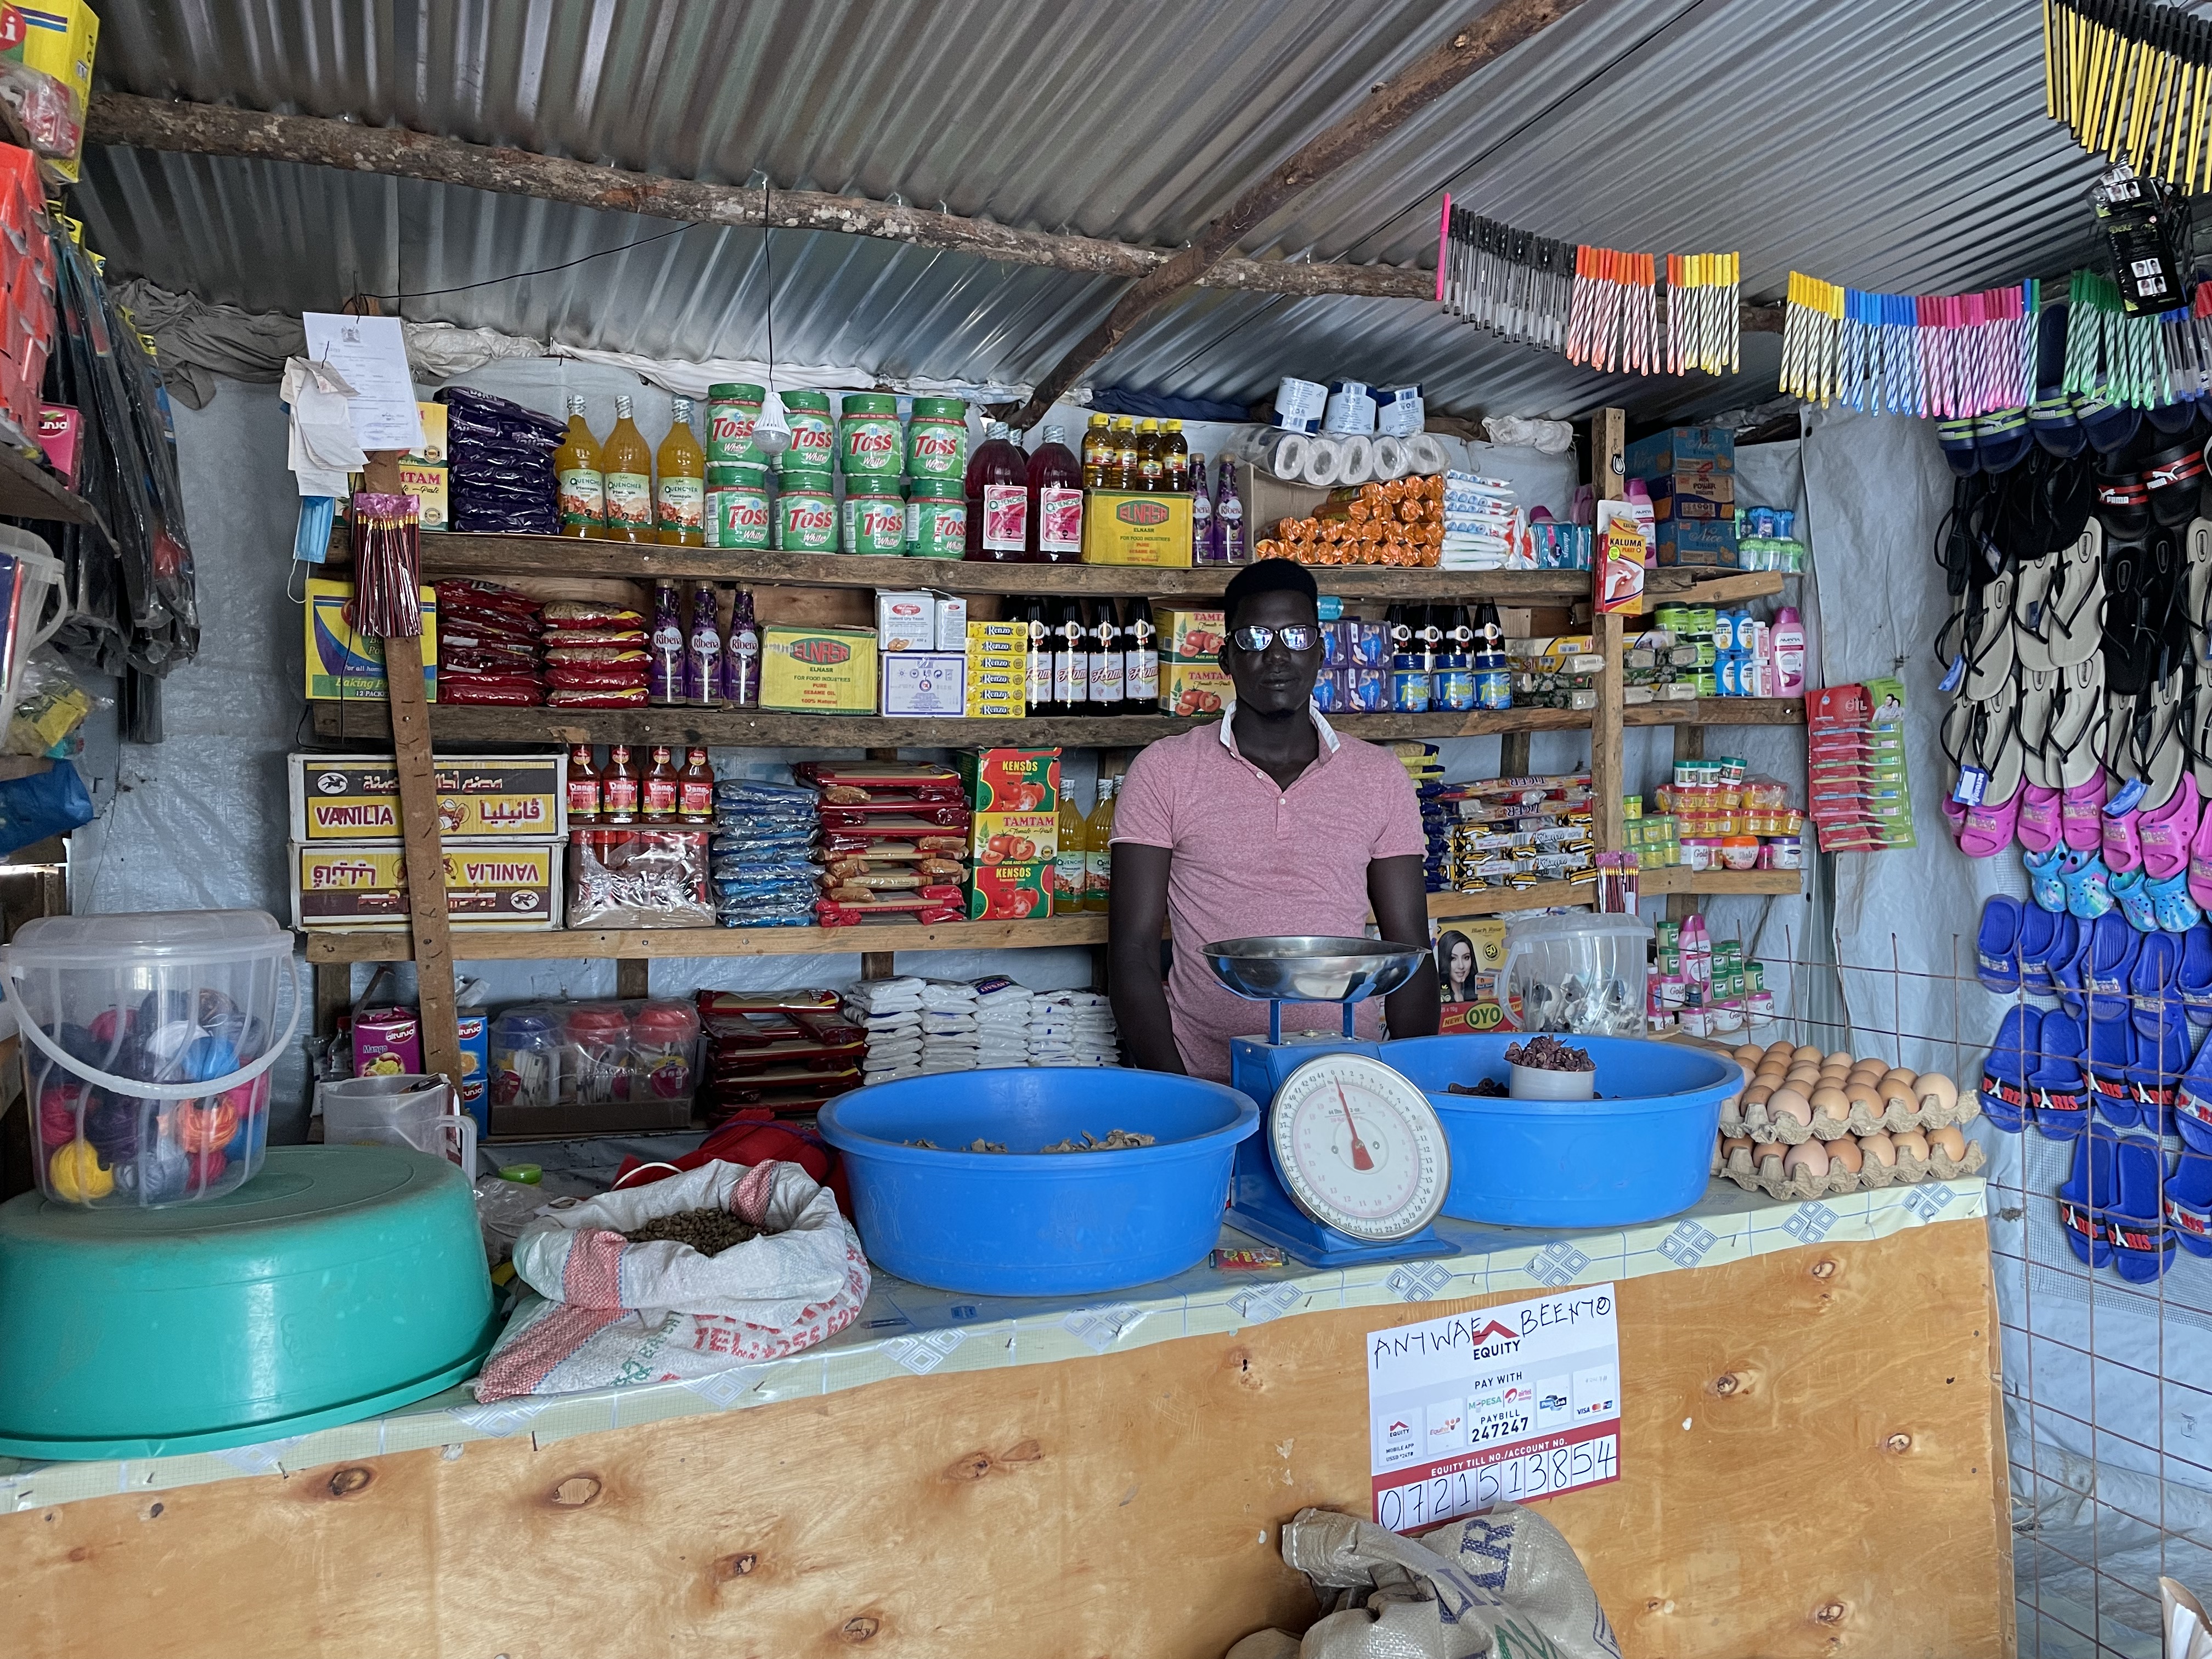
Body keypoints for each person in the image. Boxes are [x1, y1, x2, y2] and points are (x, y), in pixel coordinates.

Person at [1108, 558, 1438, 1082]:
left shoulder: (1379, 776)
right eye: (1256, 637)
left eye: (1297, 635)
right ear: (1225, 658)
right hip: (1205, 1074)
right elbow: (1133, 951)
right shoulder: (1166, 770)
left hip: (1349, 1075)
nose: (1278, 655)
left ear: (1322, 653)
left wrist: (1411, 1085)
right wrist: (1178, 1090)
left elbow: (1411, 950)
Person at [1436, 930, 1476, 1005]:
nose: (1461, 966)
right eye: (1453, 958)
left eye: (1466, 957)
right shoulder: (1435, 995)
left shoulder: (1476, 993)